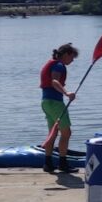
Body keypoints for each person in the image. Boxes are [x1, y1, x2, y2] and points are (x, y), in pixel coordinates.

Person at [39, 43, 79, 173]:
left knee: (53, 133)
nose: (72, 61)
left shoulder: (52, 63)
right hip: (55, 103)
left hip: (45, 102)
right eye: (72, 57)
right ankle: (62, 163)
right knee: (66, 133)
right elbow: (54, 81)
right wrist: (66, 93)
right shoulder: (59, 65)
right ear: (66, 54)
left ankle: (48, 163)